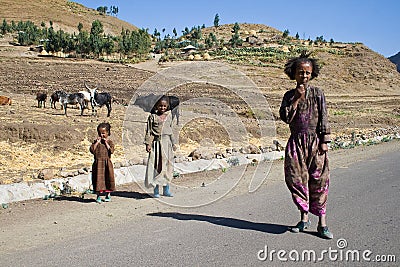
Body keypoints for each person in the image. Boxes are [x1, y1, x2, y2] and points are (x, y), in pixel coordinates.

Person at [279, 54, 333, 239]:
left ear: (312, 74)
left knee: (319, 181)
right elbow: (286, 118)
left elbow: (324, 117)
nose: (304, 76)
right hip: (296, 144)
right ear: (293, 74)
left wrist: (325, 141)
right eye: (300, 72)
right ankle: (304, 219)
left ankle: (322, 224)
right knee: (297, 180)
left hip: (315, 143)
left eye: (307, 73)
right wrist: (296, 99)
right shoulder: (288, 95)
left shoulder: (318, 94)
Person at [144, 95, 177, 198]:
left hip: (167, 144)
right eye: (160, 106)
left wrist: (174, 143)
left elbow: (172, 131)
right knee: (157, 167)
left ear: (167, 106)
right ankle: (156, 190)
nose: (162, 108)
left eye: (164, 106)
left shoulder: (169, 116)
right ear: (156, 106)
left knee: (167, 167)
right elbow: (149, 132)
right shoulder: (152, 117)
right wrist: (148, 144)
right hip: (156, 145)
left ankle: (166, 189)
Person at [90, 122, 115, 203]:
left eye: (103, 133)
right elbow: (92, 150)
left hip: (107, 164)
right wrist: (97, 142)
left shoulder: (110, 142)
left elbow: (111, 151)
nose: (101, 135)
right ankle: (98, 196)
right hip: (98, 165)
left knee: (108, 178)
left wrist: (106, 143)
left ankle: (108, 194)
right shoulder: (96, 142)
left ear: (108, 133)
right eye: (100, 133)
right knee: (98, 180)